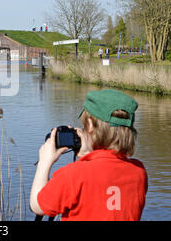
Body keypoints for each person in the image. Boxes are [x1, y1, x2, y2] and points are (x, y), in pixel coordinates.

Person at [29, 89, 148, 221]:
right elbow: (105, 180)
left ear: (90, 125)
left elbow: (37, 206)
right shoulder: (139, 172)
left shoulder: (73, 175)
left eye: (84, 126)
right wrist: (89, 155)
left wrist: (44, 163)